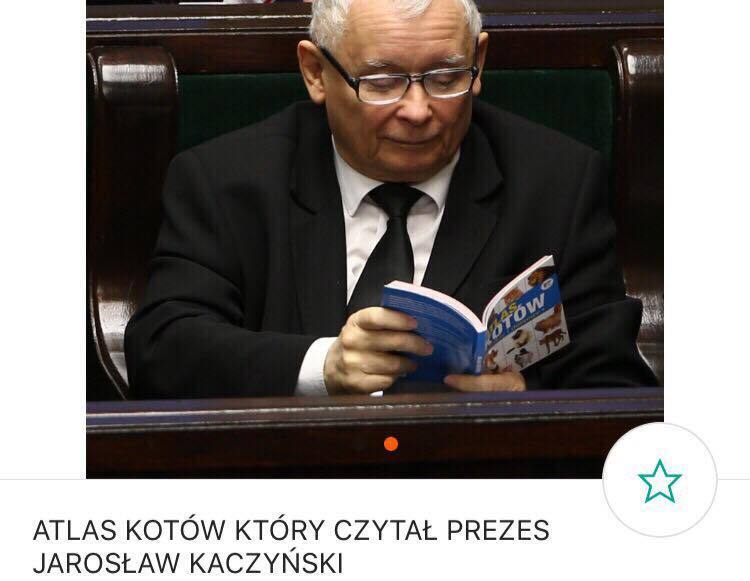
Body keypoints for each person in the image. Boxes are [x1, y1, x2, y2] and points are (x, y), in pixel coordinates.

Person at [124, 0, 657, 399]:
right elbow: (163, 350)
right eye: (382, 82)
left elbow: (614, 383)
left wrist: (525, 403)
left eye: (446, 77)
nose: (419, 110)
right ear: (315, 72)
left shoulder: (558, 183)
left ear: (479, 61)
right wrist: (322, 366)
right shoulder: (225, 181)